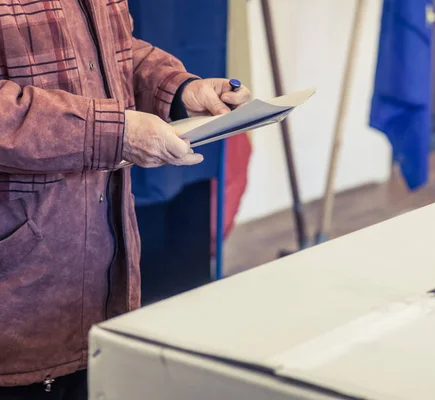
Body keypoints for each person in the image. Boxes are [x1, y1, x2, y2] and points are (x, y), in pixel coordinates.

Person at [0, 1, 250, 398]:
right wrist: (115, 132)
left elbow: (112, 53)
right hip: (16, 298)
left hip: (95, 283)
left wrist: (179, 89)